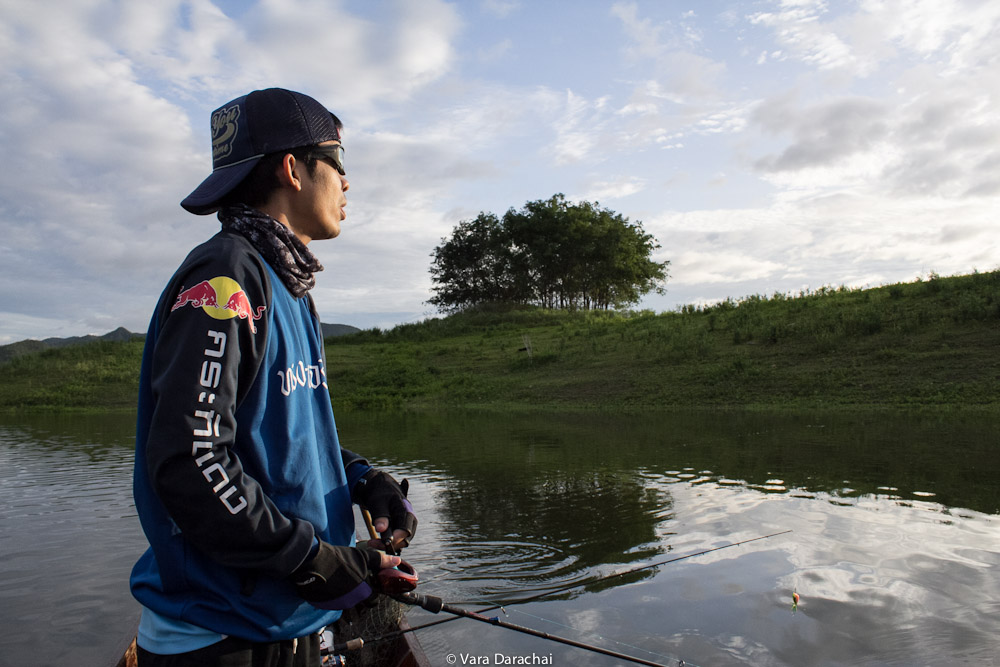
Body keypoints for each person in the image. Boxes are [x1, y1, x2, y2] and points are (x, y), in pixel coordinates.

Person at [130, 88, 418, 667]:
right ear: (293, 168)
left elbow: (277, 430)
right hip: (224, 637)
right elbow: (192, 460)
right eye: (338, 162)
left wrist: (362, 480)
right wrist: (313, 560)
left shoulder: (289, 287)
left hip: (285, 620)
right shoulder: (226, 279)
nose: (347, 181)